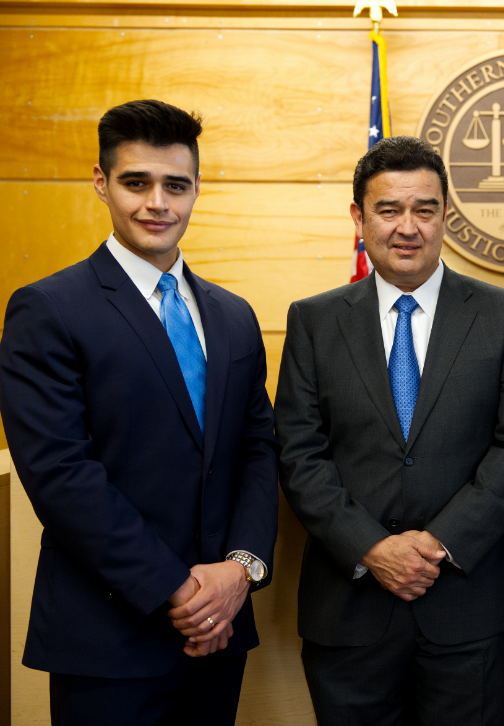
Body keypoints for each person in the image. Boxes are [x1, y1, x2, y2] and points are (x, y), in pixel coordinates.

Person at [0, 99, 279, 725]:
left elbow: (258, 450)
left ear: (197, 189)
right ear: (101, 184)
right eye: (136, 182)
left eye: (175, 185)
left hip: (220, 634)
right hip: (108, 640)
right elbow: (61, 475)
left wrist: (240, 571)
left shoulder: (233, 315)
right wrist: (180, 592)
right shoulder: (47, 309)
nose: (158, 203)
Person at [274, 135, 504, 726]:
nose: (408, 227)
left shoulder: (503, 316)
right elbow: (299, 453)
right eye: (388, 209)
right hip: (348, 612)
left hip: (468, 607)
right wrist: (372, 548)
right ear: (358, 216)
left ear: (446, 214)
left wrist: (437, 543)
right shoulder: (314, 321)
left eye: (424, 209)